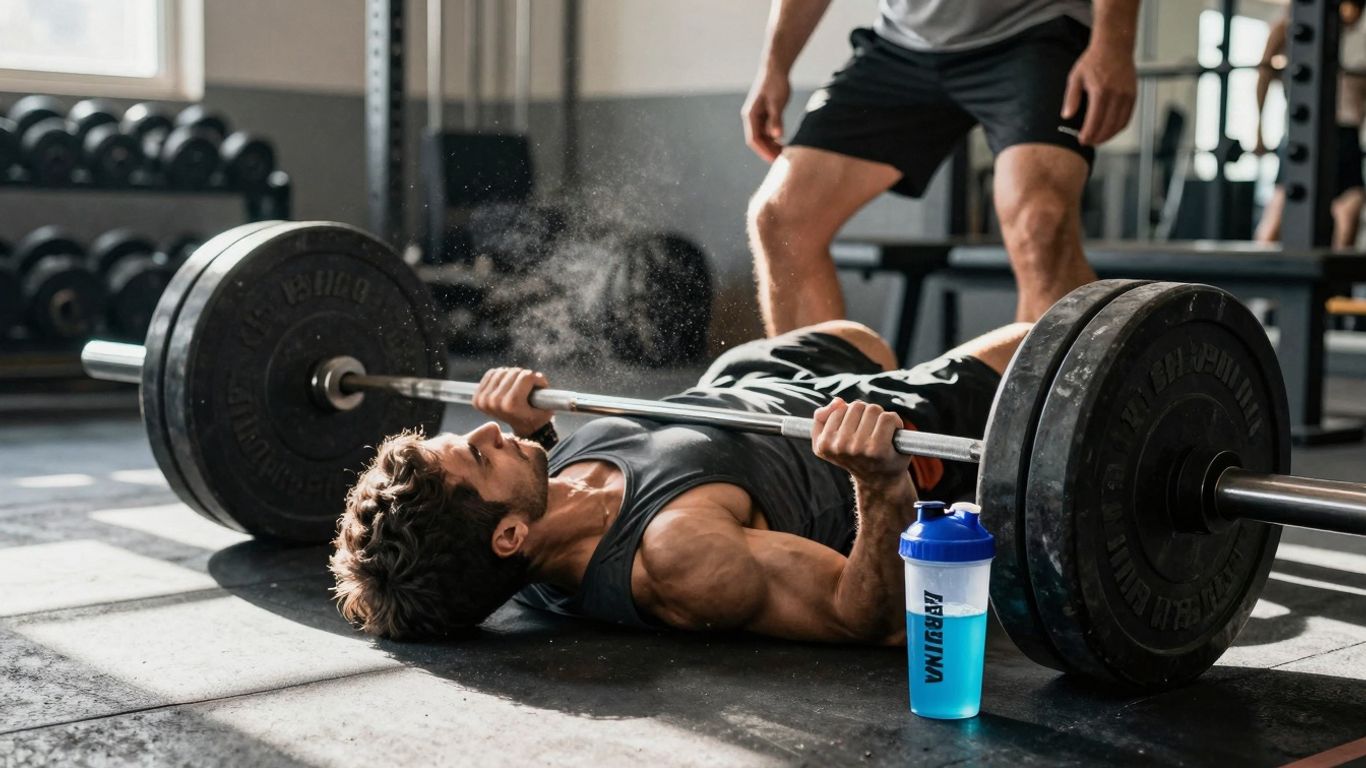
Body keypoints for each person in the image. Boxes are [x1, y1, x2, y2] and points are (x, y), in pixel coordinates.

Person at [330, 320, 1030, 642]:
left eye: (469, 439)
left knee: (861, 337)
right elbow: (861, 617)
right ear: (508, 535)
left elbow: (577, 503)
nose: (483, 429)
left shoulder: (527, 526)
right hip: (844, 428)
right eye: (481, 456)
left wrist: (535, 435)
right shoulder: (679, 559)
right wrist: (882, 484)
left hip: (738, 390)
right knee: (1040, 346)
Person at [743, 0, 1139, 333]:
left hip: (1035, 29)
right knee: (780, 219)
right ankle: (819, 408)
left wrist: (1113, 43)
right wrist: (774, 66)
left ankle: (1049, 418)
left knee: (1041, 222)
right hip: (902, 46)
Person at [1254, 1, 1366, 248]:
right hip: (1302, 133)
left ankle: (1336, 286)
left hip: (1347, 134)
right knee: (1276, 218)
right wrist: (1258, 129)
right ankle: (1255, 281)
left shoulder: (1358, 42)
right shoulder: (1287, 28)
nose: (1352, 15)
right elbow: (1263, 75)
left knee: (1349, 212)